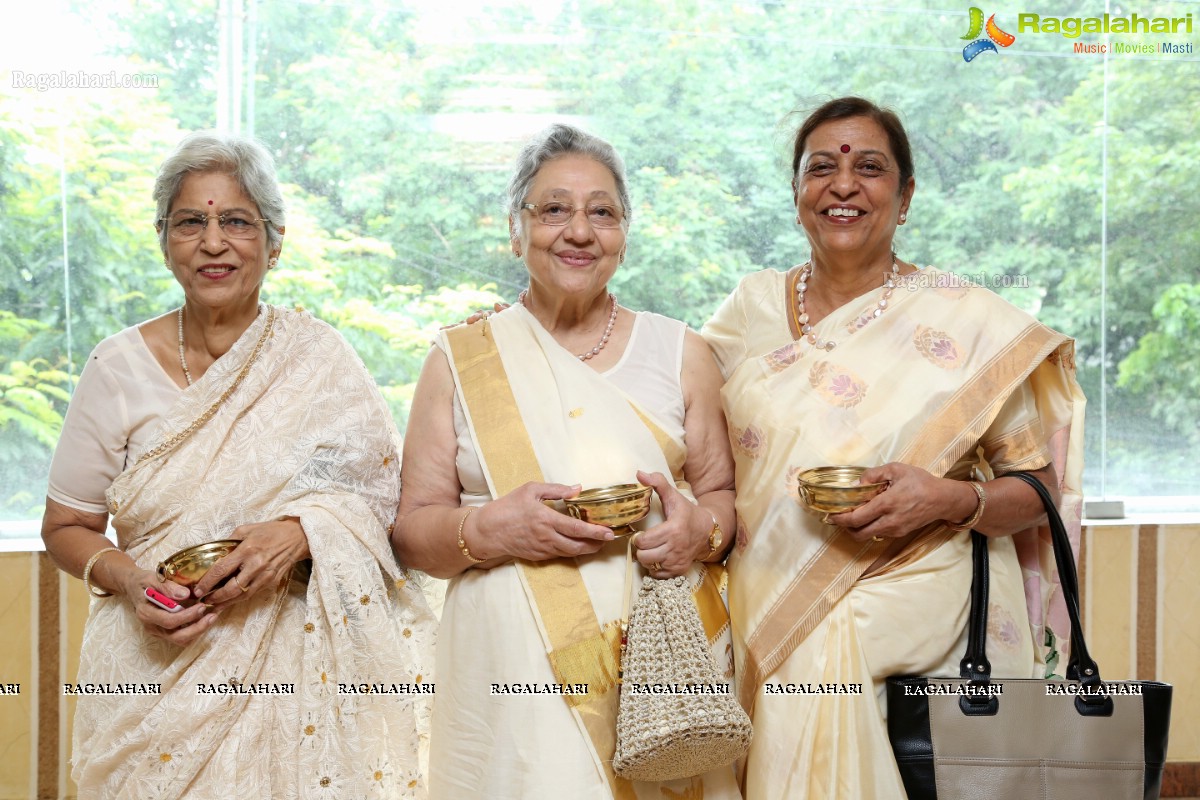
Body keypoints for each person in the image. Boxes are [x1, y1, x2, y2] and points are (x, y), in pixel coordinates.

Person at [701, 97, 1085, 798]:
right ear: (797, 197)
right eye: (821, 167)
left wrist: (948, 498)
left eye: (870, 167)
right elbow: (682, 432)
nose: (843, 184)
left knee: (818, 657)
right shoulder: (747, 308)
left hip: (920, 572)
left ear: (904, 198)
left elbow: (1038, 490)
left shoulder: (963, 317)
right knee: (794, 664)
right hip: (769, 582)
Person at [41, 131, 434, 799]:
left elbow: (384, 499)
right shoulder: (117, 367)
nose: (213, 242)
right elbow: (67, 526)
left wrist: (302, 531)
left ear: (273, 242)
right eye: (191, 222)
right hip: (151, 672)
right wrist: (133, 581)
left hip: (296, 679)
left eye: (237, 222)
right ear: (165, 240)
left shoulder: (320, 359)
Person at [393, 123, 742, 799]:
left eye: (602, 212)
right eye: (553, 209)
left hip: (656, 671)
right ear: (516, 229)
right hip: (507, 674)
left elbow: (723, 497)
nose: (579, 231)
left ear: (624, 232)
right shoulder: (462, 358)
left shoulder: (681, 352)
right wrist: (489, 530)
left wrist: (700, 532)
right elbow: (411, 532)